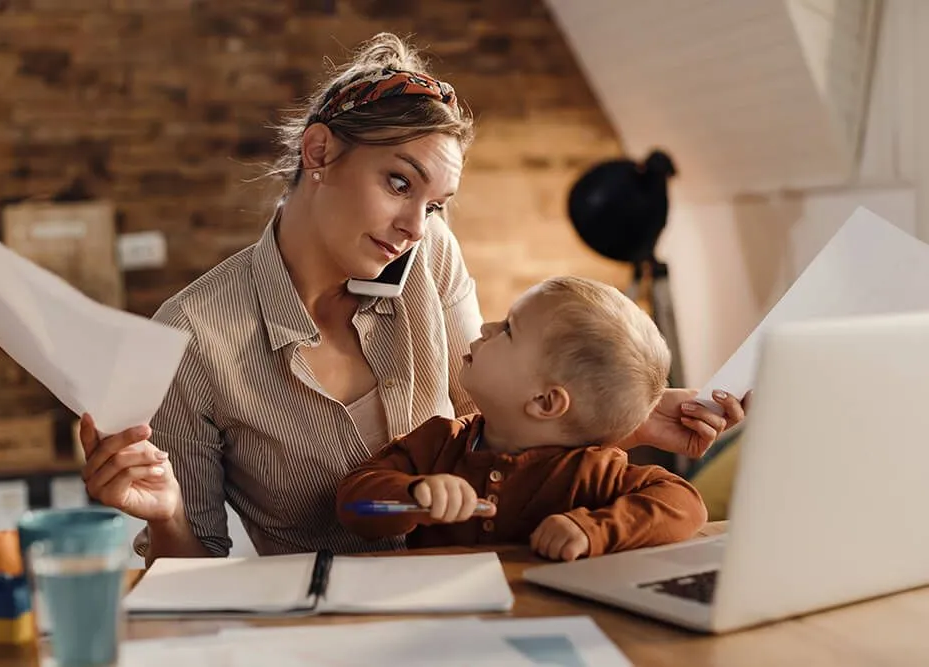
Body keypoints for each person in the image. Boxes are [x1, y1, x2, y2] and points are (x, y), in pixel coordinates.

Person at [77, 32, 747, 563]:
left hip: (488, 596)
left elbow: (489, 419)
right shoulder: (192, 336)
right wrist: (165, 515)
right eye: (399, 183)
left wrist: (624, 412)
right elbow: (193, 573)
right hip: (326, 629)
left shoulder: (430, 254)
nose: (415, 227)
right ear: (319, 152)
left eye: (435, 204)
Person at [337, 277, 707, 562]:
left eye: (508, 329)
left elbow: (685, 504)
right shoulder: (437, 441)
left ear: (545, 402)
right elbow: (353, 505)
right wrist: (413, 496)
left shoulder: (592, 470)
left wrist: (591, 529)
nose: (486, 328)